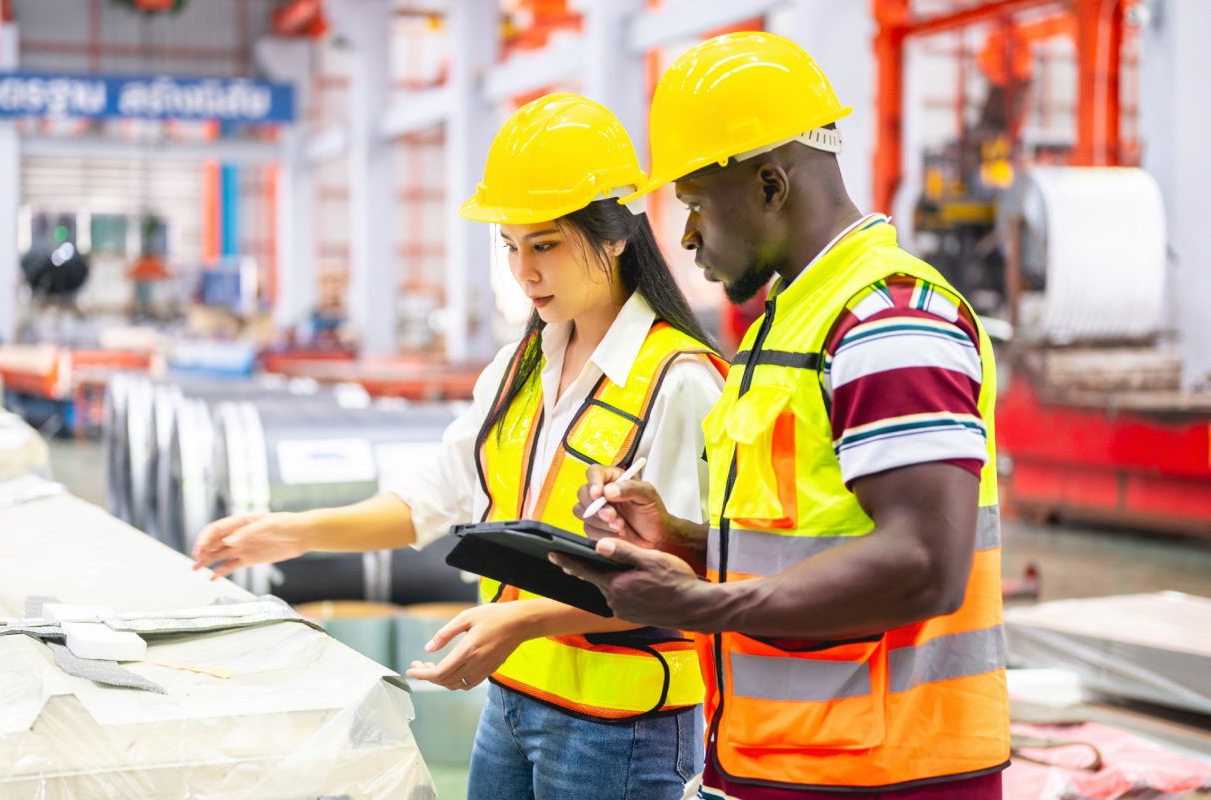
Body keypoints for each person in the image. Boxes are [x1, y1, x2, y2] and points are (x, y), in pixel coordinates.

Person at [191, 93, 727, 800]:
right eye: (510, 245)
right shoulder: (520, 369)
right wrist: (291, 532)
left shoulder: (679, 381)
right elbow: (432, 496)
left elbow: (694, 582)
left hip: (621, 724)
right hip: (510, 698)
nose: (523, 271)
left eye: (545, 244)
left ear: (618, 234)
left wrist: (523, 618)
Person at [554, 34, 1009, 800]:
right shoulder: (788, 324)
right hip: (791, 766)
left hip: (889, 776)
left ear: (770, 184)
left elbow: (924, 563)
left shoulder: (885, 320)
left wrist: (699, 603)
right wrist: (682, 543)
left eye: (695, 201)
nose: (687, 234)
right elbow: (809, 548)